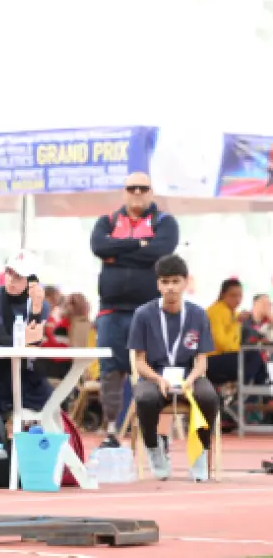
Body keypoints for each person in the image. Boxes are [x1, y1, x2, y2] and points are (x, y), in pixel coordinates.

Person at [90, 172, 179, 448]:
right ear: (124, 192)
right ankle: (112, 432)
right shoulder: (107, 221)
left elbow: (160, 253)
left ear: (151, 192)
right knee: (110, 372)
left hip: (151, 311)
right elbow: (98, 246)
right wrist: (139, 245)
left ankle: (157, 436)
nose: (137, 193)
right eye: (132, 188)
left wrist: (116, 253)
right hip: (111, 311)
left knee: (155, 370)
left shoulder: (165, 222)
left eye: (143, 188)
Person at [128, 254, 220, 481]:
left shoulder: (198, 314)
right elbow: (139, 361)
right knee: (145, 399)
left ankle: (200, 452)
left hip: (190, 376)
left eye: (175, 281)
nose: (170, 287)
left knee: (209, 397)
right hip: (154, 376)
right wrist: (158, 379)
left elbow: (202, 361)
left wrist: (191, 379)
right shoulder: (143, 314)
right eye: (165, 282)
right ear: (158, 284)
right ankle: (154, 448)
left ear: (185, 282)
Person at [0, 250, 50, 414]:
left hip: (25, 371)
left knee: (49, 401)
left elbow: (34, 346)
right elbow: (0, 339)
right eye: (9, 272)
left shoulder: (41, 305)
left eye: (18, 276)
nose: (11, 280)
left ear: (31, 280)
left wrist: (36, 309)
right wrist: (26, 340)